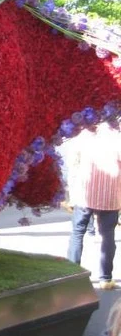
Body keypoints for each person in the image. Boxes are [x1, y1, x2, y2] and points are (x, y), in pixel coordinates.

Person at [65, 122, 121, 290]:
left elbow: (72, 163)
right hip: (110, 194)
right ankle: (105, 278)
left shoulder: (83, 133)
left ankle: (72, 276)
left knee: (77, 232)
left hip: (84, 192)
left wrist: (70, 192)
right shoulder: (117, 135)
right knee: (108, 235)